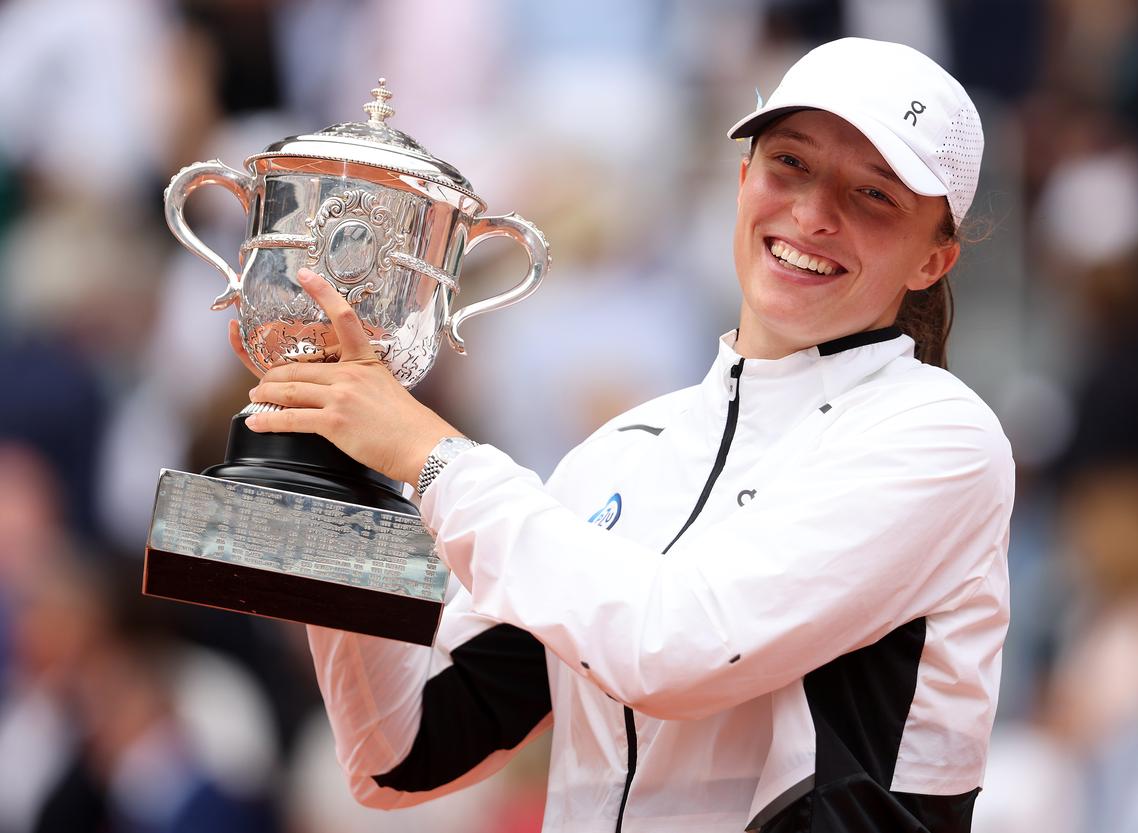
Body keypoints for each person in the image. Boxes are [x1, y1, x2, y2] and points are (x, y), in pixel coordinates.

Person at [232, 38, 1013, 833]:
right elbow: (400, 756)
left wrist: (431, 457)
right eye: (791, 165)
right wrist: (347, 487)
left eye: (874, 195)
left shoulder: (940, 435)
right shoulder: (622, 451)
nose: (813, 215)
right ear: (743, 180)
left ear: (934, 258)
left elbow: (671, 649)